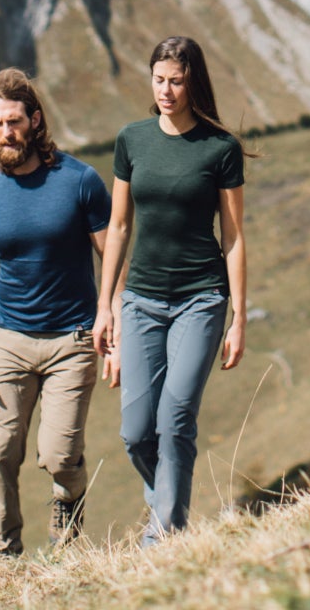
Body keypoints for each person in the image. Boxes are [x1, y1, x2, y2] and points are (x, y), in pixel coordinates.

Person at [0, 69, 112, 556]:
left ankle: (69, 501)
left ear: (35, 120)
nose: (6, 133)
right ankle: (4, 557)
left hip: (73, 340)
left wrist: (113, 322)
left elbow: (114, 262)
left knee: (59, 457)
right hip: (8, 342)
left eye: (14, 121)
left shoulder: (80, 182)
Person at [91, 34, 250, 542]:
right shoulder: (131, 140)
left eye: (176, 81)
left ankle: (164, 540)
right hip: (139, 300)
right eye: (159, 80)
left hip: (201, 298)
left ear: (193, 82)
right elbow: (118, 227)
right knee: (137, 432)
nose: (166, 90)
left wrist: (240, 317)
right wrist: (105, 307)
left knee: (175, 418)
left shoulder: (220, 148)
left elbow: (234, 237)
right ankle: (165, 500)